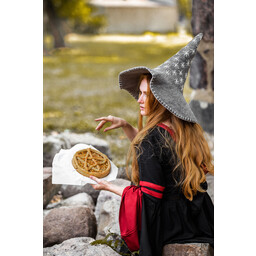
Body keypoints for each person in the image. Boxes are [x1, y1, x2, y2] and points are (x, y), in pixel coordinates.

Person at [89, 33, 214, 255]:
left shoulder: (150, 140)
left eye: (146, 95)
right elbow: (163, 156)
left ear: (161, 100)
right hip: (199, 216)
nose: (138, 99)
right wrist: (127, 126)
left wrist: (109, 186)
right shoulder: (183, 129)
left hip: (173, 225)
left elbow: (148, 202)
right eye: (140, 93)